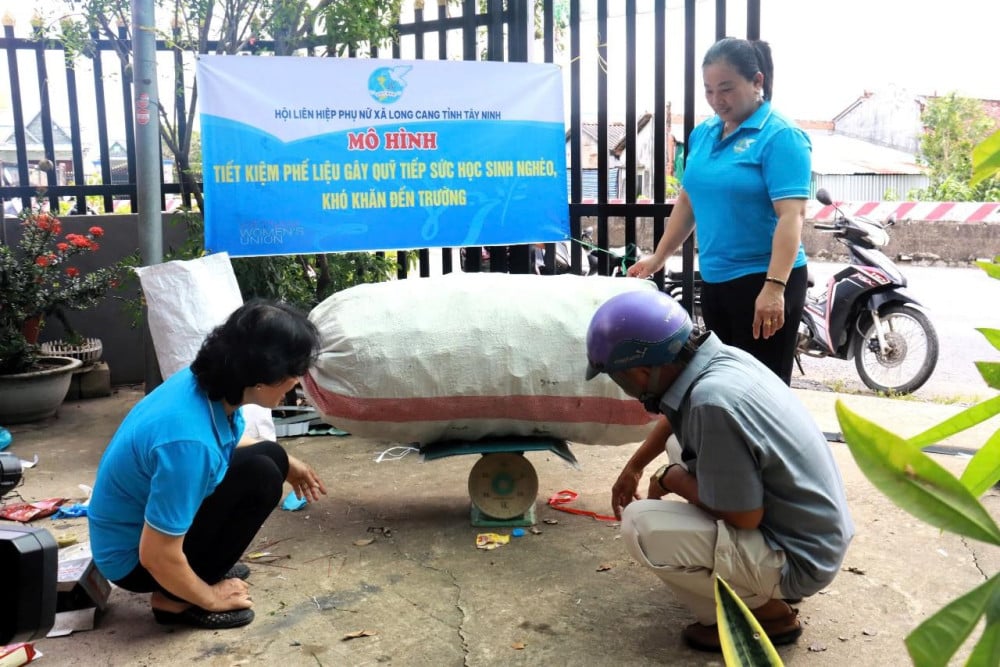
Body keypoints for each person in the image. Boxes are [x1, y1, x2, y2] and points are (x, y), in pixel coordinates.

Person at [585, 290, 854, 652]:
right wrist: (636, 465)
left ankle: (766, 615)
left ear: (641, 370)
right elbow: (676, 411)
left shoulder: (712, 403)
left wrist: (671, 479)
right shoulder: (715, 360)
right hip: (814, 532)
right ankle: (755, 583)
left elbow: (745, 517)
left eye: (620, 378)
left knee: (641, 525)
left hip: (799, 558)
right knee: (678, 445)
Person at [87, 300, 328, 630]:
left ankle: (196, 570)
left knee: (271, 457)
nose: (295, 386)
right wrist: (210, 597)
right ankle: (173, 599)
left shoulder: (210, 384)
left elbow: (226, 442)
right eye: (293, 376)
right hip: (134, 560)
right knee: (262, 478)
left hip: (135, 527)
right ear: (262, 380)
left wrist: (289, 462)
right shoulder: (189, 443)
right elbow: (156, 555)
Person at [627, 36, 811, 385]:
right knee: (724, 386)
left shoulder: (781, 136)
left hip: (763, 280)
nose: (716, 100)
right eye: (709, 90)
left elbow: (792, 216)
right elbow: (689, 199)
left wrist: (774, 288)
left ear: (757, 81)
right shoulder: (704, 134)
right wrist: (659, 256)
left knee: (762, 393)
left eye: (726, 89)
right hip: (715, 280)